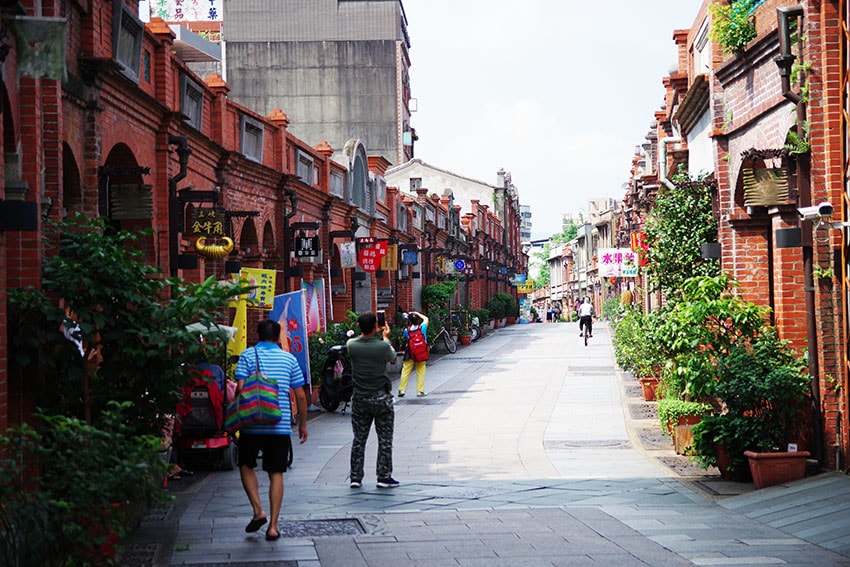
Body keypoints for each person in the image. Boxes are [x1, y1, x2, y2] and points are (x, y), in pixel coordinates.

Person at [235, 319, 308, 541]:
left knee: (246, 465)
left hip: (251, 423)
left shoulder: (248, 356)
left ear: (257, 335)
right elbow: (301, 395)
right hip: (279, 424)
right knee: (276, 472)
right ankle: (274, 526)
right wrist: (303, 424)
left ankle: (258, 510)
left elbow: (239, 389)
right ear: (278, 338)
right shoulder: (288, 359)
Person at [346, 311, 398, 489]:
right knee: (385, 440)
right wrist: (385, 337)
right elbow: (392, 359)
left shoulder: (351, 345)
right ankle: (383, 476)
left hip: (360, 399)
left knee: (359, 440)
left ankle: (355, 477)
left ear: (358, 326)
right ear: (376, 326)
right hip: (381, 398)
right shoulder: (382, 346)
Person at [398, 311, 429, 398]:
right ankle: (420, 391)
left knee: (405, 371)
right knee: (421, 372)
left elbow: (405, 339)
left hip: (410, 353)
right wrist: (417, 313)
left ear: (409, 321)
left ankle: (402, 390)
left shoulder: (406, 331)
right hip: (421, 353)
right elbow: (426, 318)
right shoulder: (422, 328)